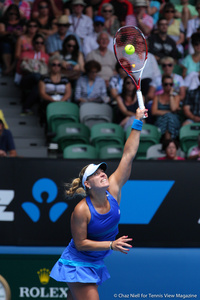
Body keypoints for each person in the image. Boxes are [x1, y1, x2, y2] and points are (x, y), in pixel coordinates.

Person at [50, 106, 148, 300]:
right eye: (95, 174)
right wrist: (111, 244)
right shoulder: (81, 211)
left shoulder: (114, 188)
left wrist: (137, 122)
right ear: (87, 184)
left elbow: (128, 155)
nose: (102, 173)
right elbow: (80, 244)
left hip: (95, 260)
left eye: (102, 171)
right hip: (78, 262)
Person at [19, 33, 49, 115]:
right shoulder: (25, 54)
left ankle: (26, 107)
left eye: (41, 43)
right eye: (37, 42)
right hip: (26, 79)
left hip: (39, 82)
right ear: (33, 43)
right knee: (37, 77)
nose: (39, 45)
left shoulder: (46, 56)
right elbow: (21, 69)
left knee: (37, 86)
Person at [39, 54, 72, 126]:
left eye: (58, 65)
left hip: (62, 100)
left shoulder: (65, 79)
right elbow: (42, 93)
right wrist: (52, 100)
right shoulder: (44, 78)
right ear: (50, 66)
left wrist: (62, 101)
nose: (56, 67)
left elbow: (68, 93)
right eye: (54, 65)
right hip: (48, 100)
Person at [151, 75, 181, 140]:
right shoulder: (157, 97)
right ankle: (170, 140)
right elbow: (154, 112)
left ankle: (166, 140)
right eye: (166, 84)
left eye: (170, 84)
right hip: (160, 121)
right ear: (162, 85)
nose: (168, 86)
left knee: (170, 118)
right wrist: (168, 113)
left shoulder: (176, 97)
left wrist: (171, 95)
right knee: (168, 116)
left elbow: (173, 108)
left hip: (173, 121)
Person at [0, 4, 26, 75]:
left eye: (15, 14)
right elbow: (1, 32)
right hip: (7, 40)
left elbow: (25, 31)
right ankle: (8, 68)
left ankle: (12, 69)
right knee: (5, 45)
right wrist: (12, 32)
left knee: (18, 47)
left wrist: (19, 33)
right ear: (8, 13)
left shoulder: (22, 22)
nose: (13, 15)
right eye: (11, 14)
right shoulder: (3, 21)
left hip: (19, 40)